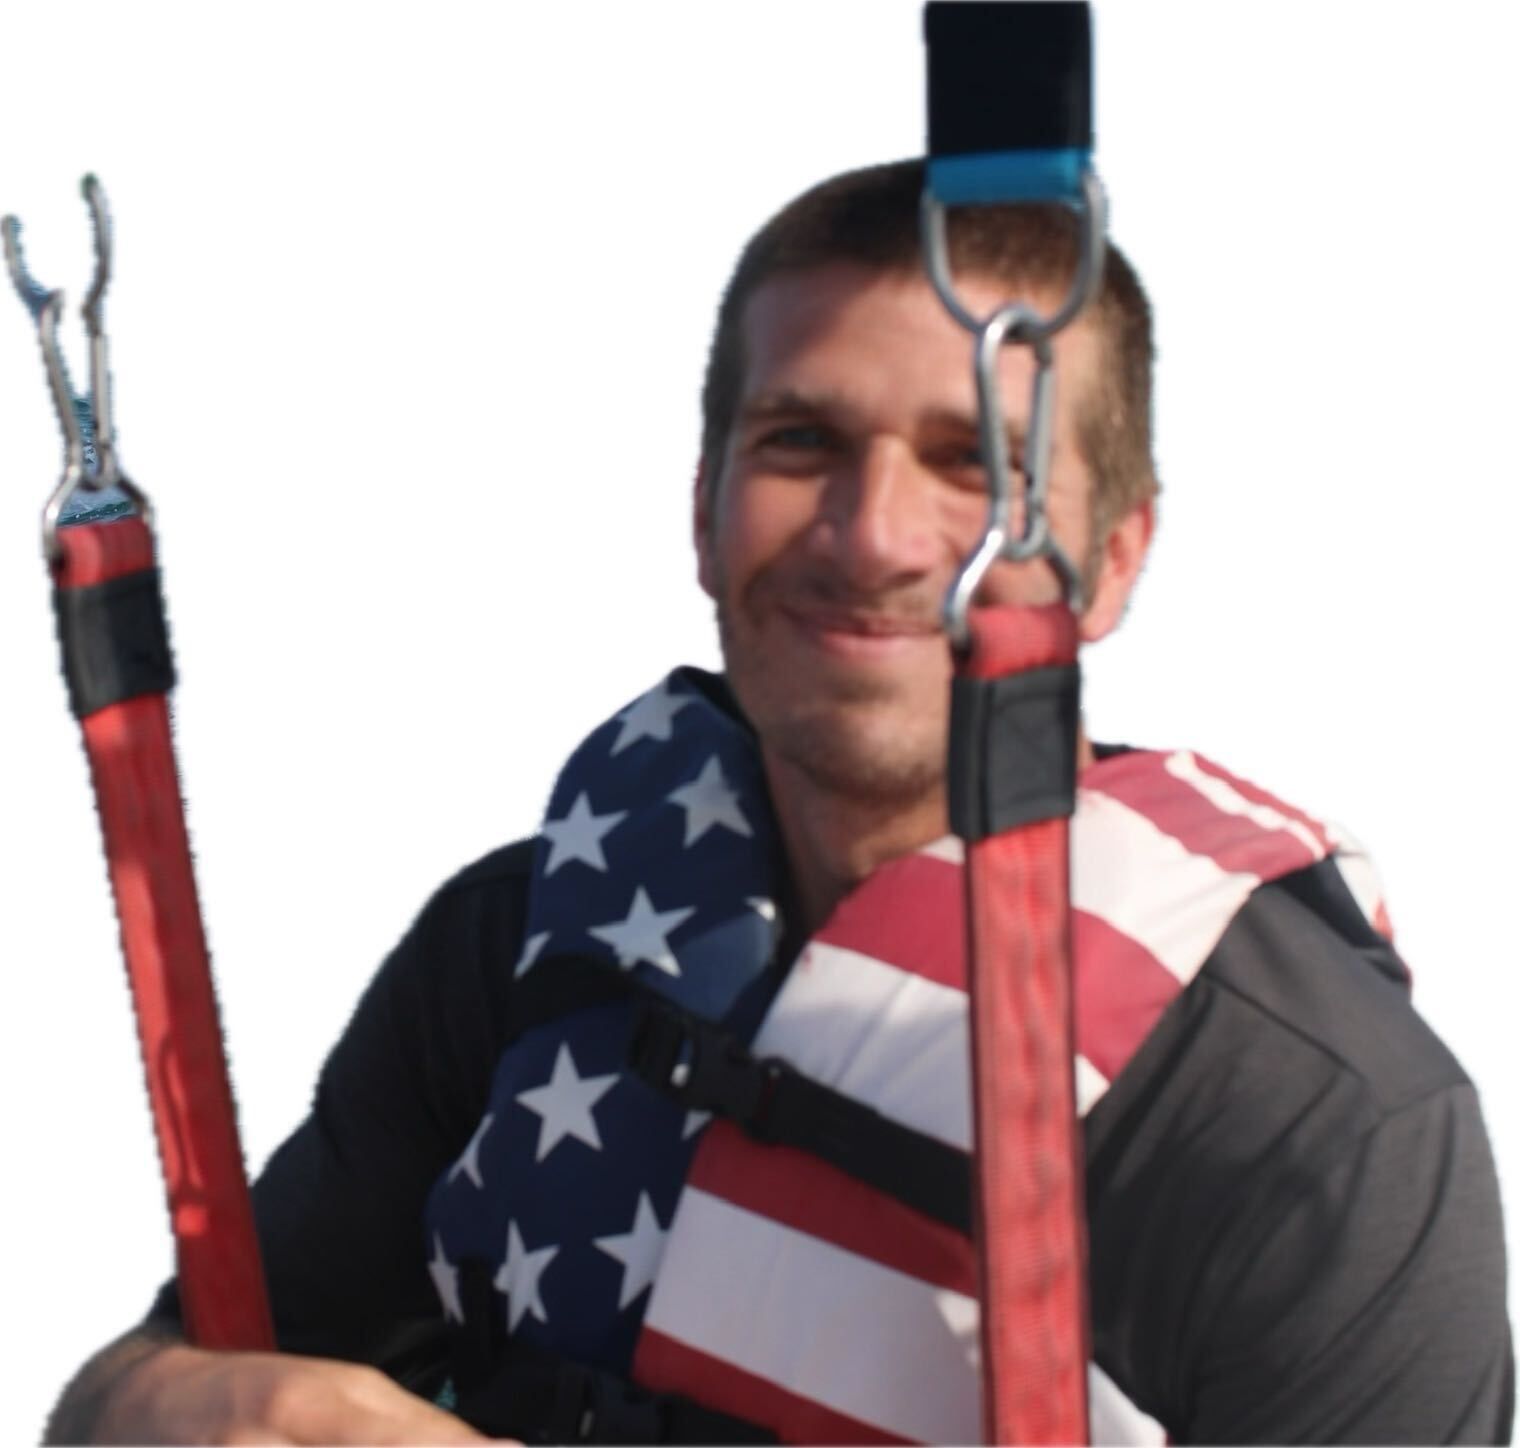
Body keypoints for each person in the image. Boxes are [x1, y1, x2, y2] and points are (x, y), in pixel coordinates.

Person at [46, 160, 1511, 1445]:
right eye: (802, 443)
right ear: (705, 508)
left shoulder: (1320, 1129)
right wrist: (159, 1409)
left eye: (974, 469)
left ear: (1115, 560)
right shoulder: (526, 947)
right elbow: (155, 1374)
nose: (871, 535)